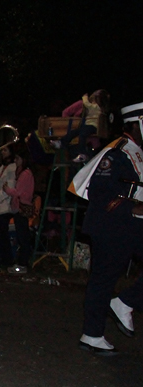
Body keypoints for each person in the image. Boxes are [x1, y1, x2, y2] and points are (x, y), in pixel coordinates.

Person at [71, 101, 143, 355]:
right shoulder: (116, 153)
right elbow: (101, 193)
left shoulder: (136, 152)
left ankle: (123, 303)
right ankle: (93, 333)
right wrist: (134, 208)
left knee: (102, 280)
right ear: (137, 124)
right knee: (103, 279)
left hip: (130, 226)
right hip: (111, 226)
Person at [53, 89, 110, 162]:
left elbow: (88, 105)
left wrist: (84, 97)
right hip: (76, 142)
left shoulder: (96, 107)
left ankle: (82, 154)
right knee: (76, 132)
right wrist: (70, 126)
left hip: (91, 142)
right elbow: (65, 113)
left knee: (83, 134)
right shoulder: (82, 104)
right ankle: (62, 142)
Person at [3, 148, 35, 273]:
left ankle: (23, 263)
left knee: (23, 236)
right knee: (22, 235)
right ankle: (22, 262)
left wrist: (7, 190)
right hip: (19, 207)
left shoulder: (25, 174)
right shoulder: (22, 172)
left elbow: (18, 192)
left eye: (17, 159)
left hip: (21, 207)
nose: (15, 161)